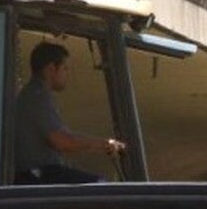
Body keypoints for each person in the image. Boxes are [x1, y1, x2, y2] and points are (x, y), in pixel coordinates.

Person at [13, 42, 125, 184]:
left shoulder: (32, 95)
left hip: (41, 174)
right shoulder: (37, 97)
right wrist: (104, 145)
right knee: (101, 186)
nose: (68, 73)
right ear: (51, 69)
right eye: (65, 68)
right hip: (38, 177)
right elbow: (62, 141)